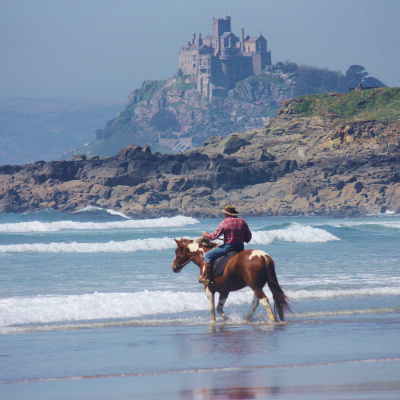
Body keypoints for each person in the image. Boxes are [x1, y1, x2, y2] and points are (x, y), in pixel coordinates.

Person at [199, 205, 252, 286]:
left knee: (208, 255)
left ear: (227, 214)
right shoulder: (243, 221)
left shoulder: (225, 222)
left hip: (228, 247)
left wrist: (206, 235)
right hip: (240, 247)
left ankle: (207, 277)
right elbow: (248, 238)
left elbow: (214, 236)